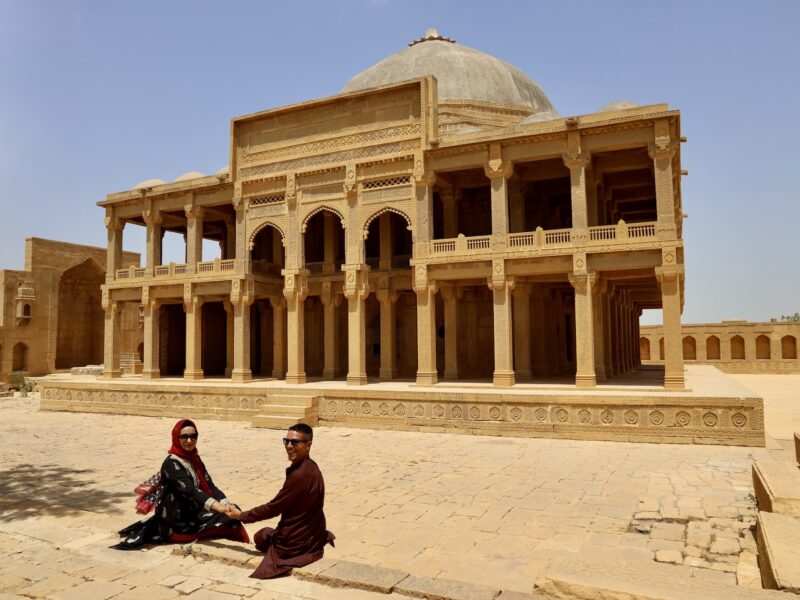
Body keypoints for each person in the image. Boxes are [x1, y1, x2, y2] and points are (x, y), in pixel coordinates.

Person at [111, 418, 249, 550]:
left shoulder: (194, 459)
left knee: (233, 510)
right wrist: (219, 507)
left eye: (193, 436)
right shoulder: (171, 464)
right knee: (227, 518)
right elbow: (191, 491)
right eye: (184, 437)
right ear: (176, 438)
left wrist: (226, 503)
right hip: (177, 520)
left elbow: (209, 484)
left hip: (194, 511)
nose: (189, 441)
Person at [227, 423, 335, 579]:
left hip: (296, 541)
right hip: (314, 538)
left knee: (260, 536)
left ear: (308, 445)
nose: (289, 446)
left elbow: (274, 508)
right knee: (264, 534)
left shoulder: (300, 475)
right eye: (286, 441)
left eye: (295, 442)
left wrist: (241, 516)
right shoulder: (311, 466)